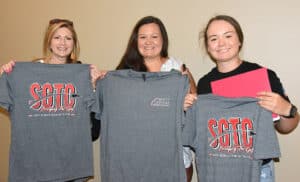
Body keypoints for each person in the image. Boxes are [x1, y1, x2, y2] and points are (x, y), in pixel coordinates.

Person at [197, 14, 299, 182]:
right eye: (214, 38)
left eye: (228, 36)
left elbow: (286, 127)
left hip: (258, 170)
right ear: (208, 47)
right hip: (220, 169)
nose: (221, 43)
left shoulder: (264, 75)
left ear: (239, 40)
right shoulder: (204, 84)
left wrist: (287, 110)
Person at [0, 18, 103, 181]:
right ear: (48, 41)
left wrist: (94, 86)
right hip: (34, 167)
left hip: (70, 165)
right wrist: (4, 75)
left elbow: (93, 131)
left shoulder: (83, 75)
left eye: (68, 38)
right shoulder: (26, 73)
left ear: (74, 43)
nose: (63, 43)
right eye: (57, 37)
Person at [116, 16, 197, 182]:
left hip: (175, 152)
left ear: (163, 39)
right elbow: (118, 109)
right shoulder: (125, 72)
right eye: (143, 37)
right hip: (137, 151)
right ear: (135, 41)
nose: (148, 42)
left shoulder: (178, 69)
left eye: (154, 36)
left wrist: (184, 104)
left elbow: (195, 109)